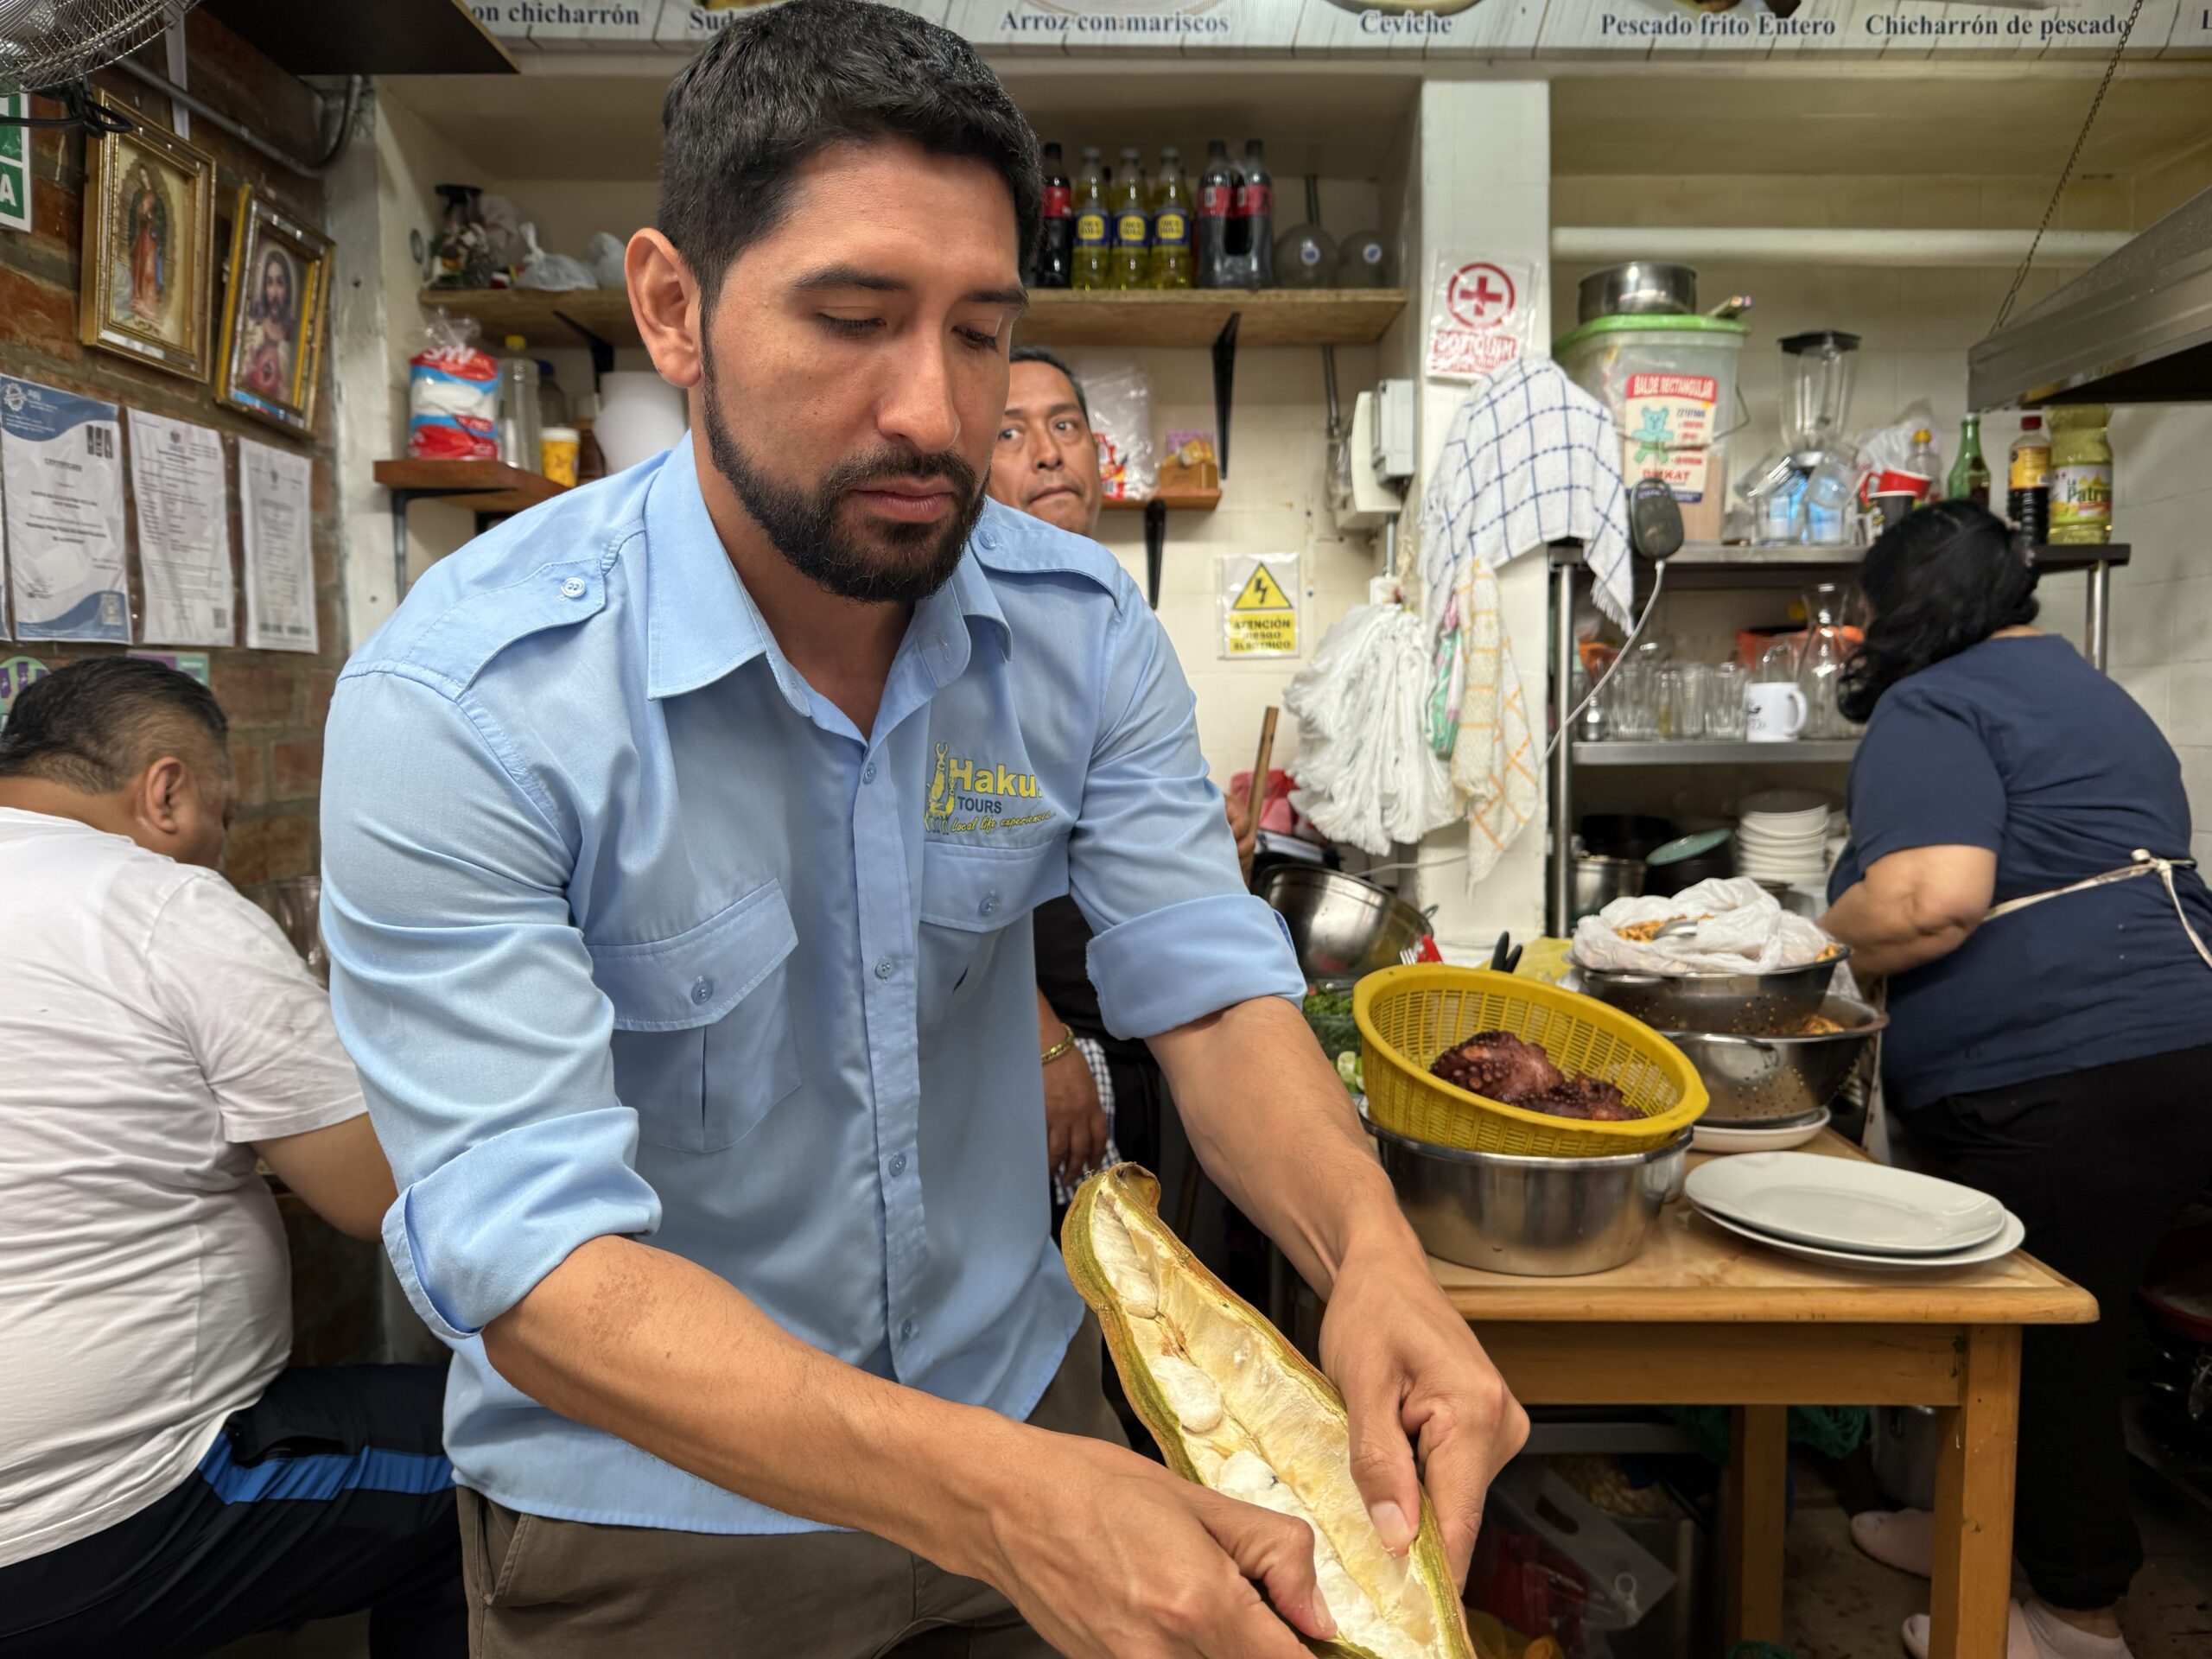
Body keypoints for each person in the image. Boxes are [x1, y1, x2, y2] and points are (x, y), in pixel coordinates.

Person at [320, 6, 1526, 1655]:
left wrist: (1369, 1254)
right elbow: (533, 1266)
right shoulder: (468, 704)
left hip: (1035, 1417)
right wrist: (995, 1495)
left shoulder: (1075, 630)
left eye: (978, 332)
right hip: (657, 1522)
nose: (934, 413)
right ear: (673, 306)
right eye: (853, 318)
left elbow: (1209, 990)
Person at [0, 658, 464, 1658]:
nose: (220, 844)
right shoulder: (160, 904)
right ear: (164, 790)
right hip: (89, 1517)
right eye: (225, 813)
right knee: (501, 1460)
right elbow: (371, 1192)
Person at [1820, 502, 2212, 1659]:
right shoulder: (2089, 693)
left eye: (1867, 621)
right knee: (2029, 1333)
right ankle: (1972, 1527)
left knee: (2043, 1344)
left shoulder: (1931, 699)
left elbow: (1933, 897)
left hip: (2064, 1074)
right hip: (2177, 1045)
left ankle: (2078, 1614)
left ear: (1906, 616)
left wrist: (1803, 937)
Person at [987, 343, 1255, 1198]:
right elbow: (928, 885)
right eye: (1009, 430)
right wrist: (1042, 1044)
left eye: (1065, 424)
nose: (1048, 449)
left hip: (1135, 1038)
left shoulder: (1109, 621)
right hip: (1037, 1048)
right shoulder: (961, 632)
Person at [243, 246, 296, 402]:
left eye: (280, 283)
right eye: (269, 283)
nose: (273, 292)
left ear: (288, 290)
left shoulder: (292, 341)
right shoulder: (253, 330)